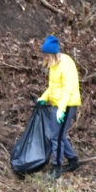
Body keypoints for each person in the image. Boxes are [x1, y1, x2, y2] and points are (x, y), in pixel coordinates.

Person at [37, 35, 81, 180]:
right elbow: (53, 87)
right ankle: (73, 161)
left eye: (47, 56)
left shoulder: (66, 65)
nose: (45, 58)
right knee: (59, 135)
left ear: (53, 54)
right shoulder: (54, 65)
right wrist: (44, 98)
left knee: (55, 136)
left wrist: (62, 109)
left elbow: (68, 89)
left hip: (68, 104)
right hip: (58, 103)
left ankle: (57, 168)